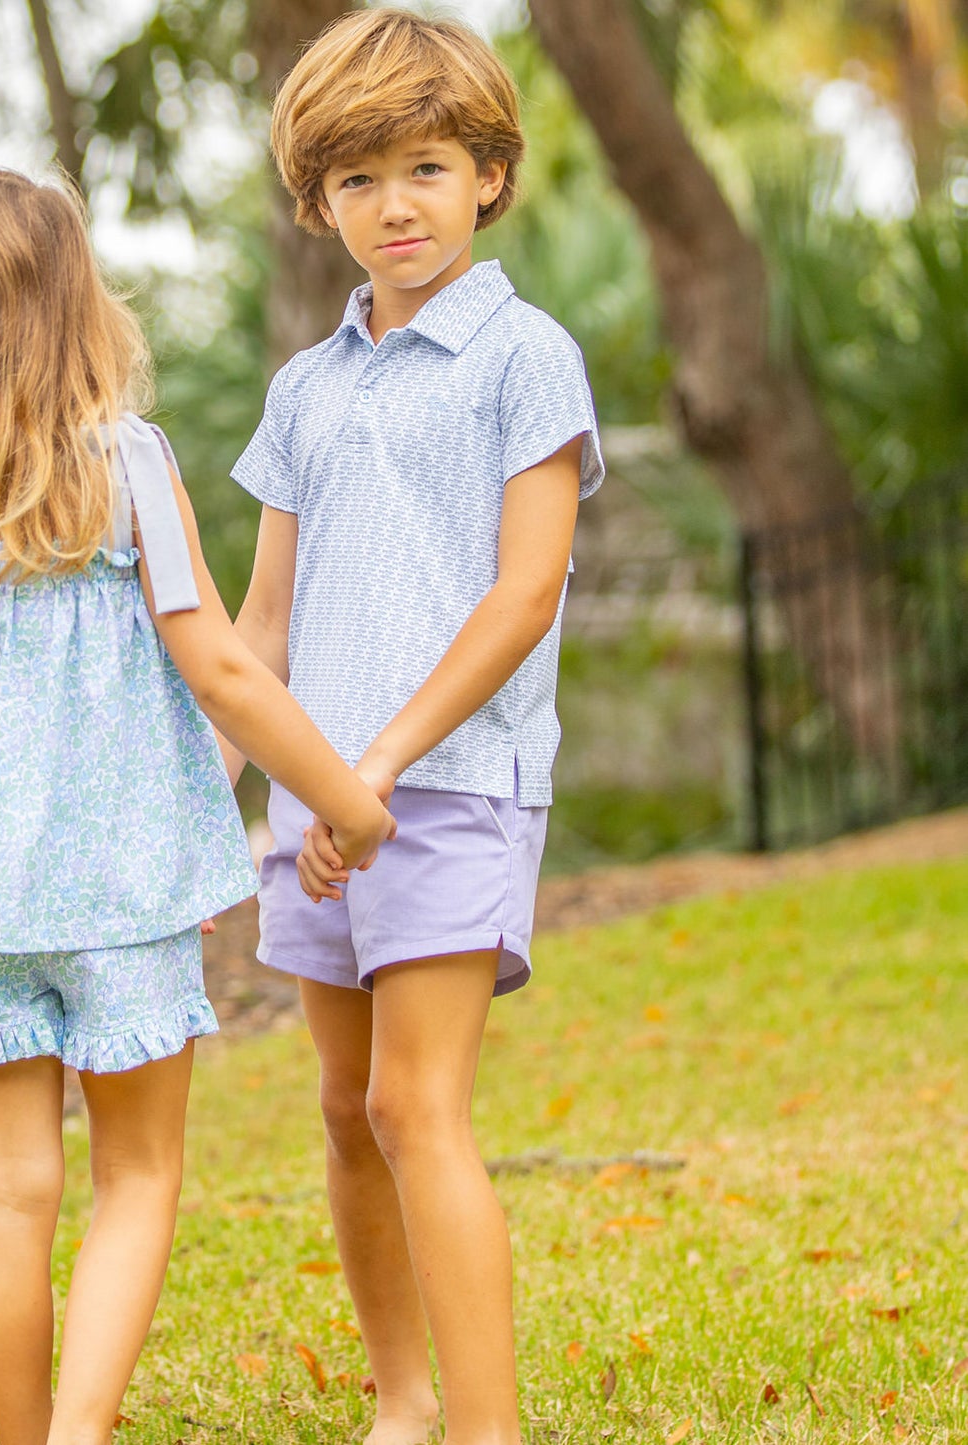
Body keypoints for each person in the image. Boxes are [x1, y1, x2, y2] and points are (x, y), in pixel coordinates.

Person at [0, 158, 394, 1445]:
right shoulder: (122, 465)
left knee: (8, 1188)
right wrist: (347, 801)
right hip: (125, 894)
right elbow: (226, 671)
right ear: (72, 305)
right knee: (135, 1174)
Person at [225, 12, 605, 1445]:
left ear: (491, 175)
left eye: (429, 168)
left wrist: (371, 769)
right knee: (340, 1105)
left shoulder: (527, 357)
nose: (397, 206)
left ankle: (486, 1431)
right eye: (362, 179)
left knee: (411, 1103)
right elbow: (259, 627)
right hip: (317, 810)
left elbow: (522, 596)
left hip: (453, 785)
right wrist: (237, 785)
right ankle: (403, 1401)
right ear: (317, 198)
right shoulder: (304, 388)